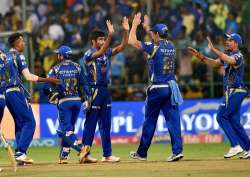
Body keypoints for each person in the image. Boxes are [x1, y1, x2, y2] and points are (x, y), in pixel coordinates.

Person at [128, 13, 183, 162]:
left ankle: (142, 153)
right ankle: (177, 151)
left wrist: (134, 25)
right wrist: (147, 27)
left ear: (157, 34)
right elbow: (156, 40)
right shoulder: (171, 45)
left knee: (150, 120)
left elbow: (131, 41)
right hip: (171, 88)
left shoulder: (154, 47)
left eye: (153, 33)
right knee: (173, 120)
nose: (151, 35)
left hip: (158, 88)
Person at [188, 34, 250, 159]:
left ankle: (235, 145)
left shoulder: (238, 56)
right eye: (227, 40)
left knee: (221, 116)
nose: (227, 42)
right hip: (235, 92)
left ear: (236, 43)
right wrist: (200, 56)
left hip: (235, 91)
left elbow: (230, 61)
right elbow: (215, 64)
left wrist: (213, 49)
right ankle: (248, 148)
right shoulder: (228, 56)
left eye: (230, 40)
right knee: (234, 122)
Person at [80, 17, 129, 163]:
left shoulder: (106, 52)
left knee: (106, 124)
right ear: (93, 42)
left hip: (105, 91)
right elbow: (100, 52)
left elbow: (122, 47)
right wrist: (110, 36)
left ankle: (107, 154)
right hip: (94, 91)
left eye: (103, 39)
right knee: (91, 123)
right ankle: (85, 154)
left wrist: (126, 31)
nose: (102, 42)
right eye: (100, 39)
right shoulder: (88, 54)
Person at [5, 32, 59, 165]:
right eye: (22, 41)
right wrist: (48, 79)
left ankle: (20, 156)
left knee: (20, 123)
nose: (24, 43)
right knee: (30, 122)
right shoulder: (19, 56)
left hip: (5, 93)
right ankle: (21, 152)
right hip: (16, 91)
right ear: (16, 43)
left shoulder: (4, 57)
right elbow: (28, 77)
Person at [43, 45, 92, 164]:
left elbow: (46, 85)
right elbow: (85, 85)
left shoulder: (56, 68)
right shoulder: (78, 67)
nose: (57, 56)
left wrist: (51, 94)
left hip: (64, 101)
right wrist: (87, 99)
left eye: (58, 54)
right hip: (77, 101)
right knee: (69, 129)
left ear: (61, 56)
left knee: (63, 131)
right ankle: (64, 155)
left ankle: (82, 149)